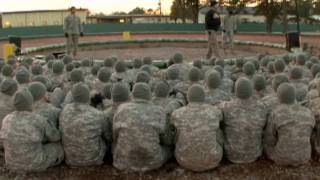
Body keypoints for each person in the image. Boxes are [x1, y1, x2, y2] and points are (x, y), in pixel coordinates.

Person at [113, 83, 171, 172]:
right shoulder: (159, 111)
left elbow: (115, 135)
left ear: (132, 94)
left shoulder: (121, 109)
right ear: (149, 95)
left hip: (123, 161)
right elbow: (167, 140)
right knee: (168, 150)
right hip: (152, 162)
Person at [0, 90, 63, 171]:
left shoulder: (6, 118)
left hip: (11, 163)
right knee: (58, 147)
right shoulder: (37, 119)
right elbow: (56, 137)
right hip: (34, 164)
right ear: (31, 102)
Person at [171, 85, 223, 172]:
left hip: (183, 160)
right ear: (203, 97)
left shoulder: (177, 114)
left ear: (188, 97)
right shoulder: (215, 112)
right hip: (212, 160)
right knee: (218, 131)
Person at [264, 83, 315, 166]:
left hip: (281, 158)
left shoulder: (276, 113)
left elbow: (269, 139)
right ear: (294, 95)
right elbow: (311, 133)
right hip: (305, 157)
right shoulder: (308, 112)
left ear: (278, 97)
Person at [59, 83, 109, 166]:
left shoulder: (65, 110)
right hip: (93, 159)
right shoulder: (98, 114)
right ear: (88, 96)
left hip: (70, 159)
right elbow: (108, 136)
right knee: (103, 140)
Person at [221, 78, 267, 163]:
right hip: (254, 154)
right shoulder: (262, 107)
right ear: (251, 91)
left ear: (235, 91)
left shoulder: (227, 107)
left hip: (232, 155)